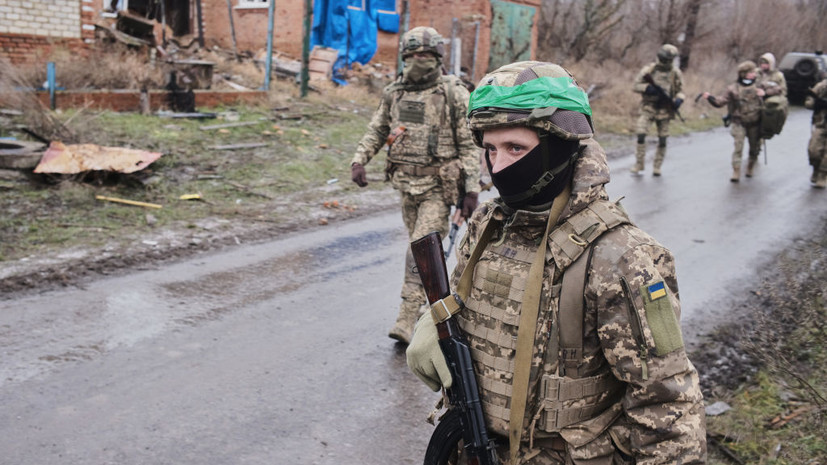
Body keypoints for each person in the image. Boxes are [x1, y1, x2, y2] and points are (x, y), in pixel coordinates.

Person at [407, 61, 706, 464]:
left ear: (562, 144)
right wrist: (437, 318)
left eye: (516, 148)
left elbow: (667, 405)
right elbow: (467, 311)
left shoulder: (619, 256)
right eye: (490, 149)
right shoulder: (487, 226)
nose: (498, 167)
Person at [350, 26, 481, 344]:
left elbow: (469, 145)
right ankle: (434, 308)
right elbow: (378, 129)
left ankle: (407, 319)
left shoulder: (453, 93)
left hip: (439, 188)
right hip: (406, 185)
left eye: (425, 56)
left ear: (437, 58)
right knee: (424, 253)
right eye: (412, 56)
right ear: (404, 57)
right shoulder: (395, 92)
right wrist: (359, 160)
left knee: (419, 250)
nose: (418, 61)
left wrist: (472, 189)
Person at [702, 60, 769, 182]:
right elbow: (720, 102)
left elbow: (778, 90)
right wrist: (710, 97)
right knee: (738, 147)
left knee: (754, 148)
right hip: (739, 123)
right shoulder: (733, 88)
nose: (754, 74)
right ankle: (736, 171)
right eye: (751, 72)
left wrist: (765, 93)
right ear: (744, 74)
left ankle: (750, 166)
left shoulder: (760, 86)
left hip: (755, 123)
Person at [631, 44, 685, 176]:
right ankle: (639, 164)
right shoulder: (649, 70)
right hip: (648, 107)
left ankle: (657, 166)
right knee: (641, 133)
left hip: (665, 110)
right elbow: (635, 85)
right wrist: (647, 88)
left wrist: (679, 100)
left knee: (663, 139)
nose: (667, 62)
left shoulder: (675, 73)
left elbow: (680, 91)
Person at [804, 72, 827, 188]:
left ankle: (823, 176)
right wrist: (816, 104)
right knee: (813, 151)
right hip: (820, 124)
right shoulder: (822, 86)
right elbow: (808, 103)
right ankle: (815, 169)